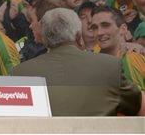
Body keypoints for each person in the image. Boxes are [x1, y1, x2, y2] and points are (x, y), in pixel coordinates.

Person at [12, 8, 142, 116]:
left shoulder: (20, 73)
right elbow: (137, 106)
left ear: (44, 39)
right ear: (79, 36)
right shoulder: (110, 65)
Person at [90, 6, 145, 91]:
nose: (99, 32)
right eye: (94, 27)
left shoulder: (133, 59)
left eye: (105, 25)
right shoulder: (89, 60)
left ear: (123, 29)